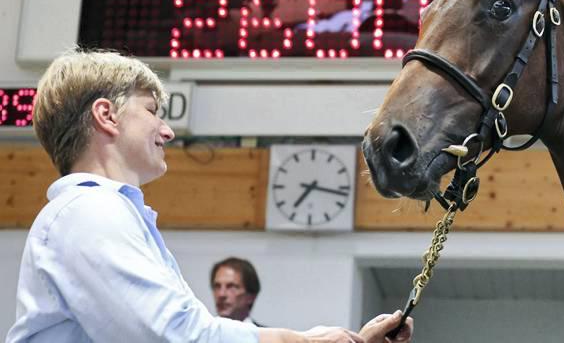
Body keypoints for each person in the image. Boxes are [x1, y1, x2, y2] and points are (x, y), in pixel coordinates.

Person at [6, 49, 413, 343]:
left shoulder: (104, 215)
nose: (167, 131)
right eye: (151, 111)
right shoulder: (89, 212)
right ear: (106, 116)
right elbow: (177, 337)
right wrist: (306, 342)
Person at [211, 257, 265, 326]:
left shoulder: (267, 336)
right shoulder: (201, 335)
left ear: (251, 297)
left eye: (231, 287)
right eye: (217, 286)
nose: (221, 294)